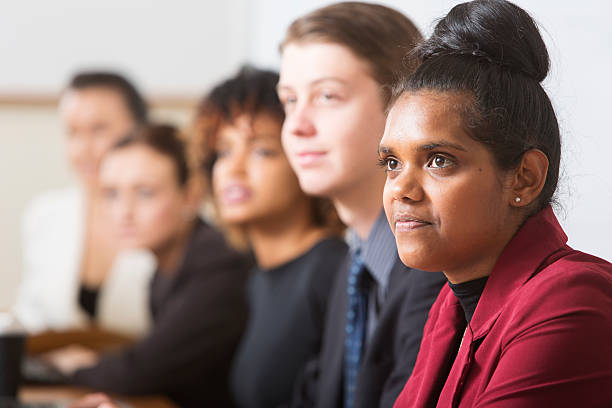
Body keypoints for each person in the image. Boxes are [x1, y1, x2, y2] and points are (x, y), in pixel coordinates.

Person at [379, 1, 612, 406]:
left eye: (439, 161)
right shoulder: (450, 305)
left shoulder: (574, 300)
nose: (402, 189)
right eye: (392, 163)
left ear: (524, 178)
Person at [278, 3, 446, 407]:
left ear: (400, 107)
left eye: (327, 96)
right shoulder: (353, 264)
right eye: (288, 100)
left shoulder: (439, 268)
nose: (298, 125)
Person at [50, 124, 250, 407]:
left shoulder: (220, 266)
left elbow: (145, 371)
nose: (123, 212)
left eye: (145, 193)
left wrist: (75, 368)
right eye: (111, 194)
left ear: (191, 195)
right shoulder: (164, 268)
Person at [196, 66, 348, 408]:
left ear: (303, 158)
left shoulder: (329, 270)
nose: (233, 169)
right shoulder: (257, 277)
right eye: (223, 151)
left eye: (261, 150)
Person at [14, 71, 154, 336]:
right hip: (51, 375)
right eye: (72, 132)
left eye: (98, 129)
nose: (83, 148)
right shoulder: (44, 215)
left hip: (149, 375)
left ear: (140, 130)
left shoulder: (168, 216)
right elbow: (30, 314)